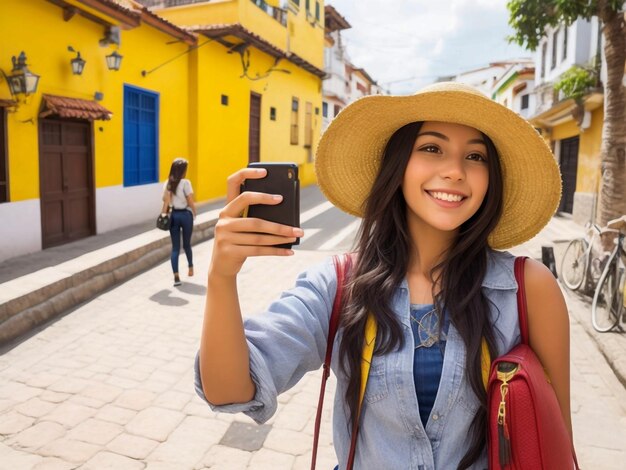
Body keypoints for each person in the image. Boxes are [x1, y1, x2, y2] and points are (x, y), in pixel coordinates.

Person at [194, 82, 571, 469]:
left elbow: (554, 444)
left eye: (476, 156)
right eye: (431, 148)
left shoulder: (528, 289)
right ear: (398, 164)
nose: (456, 171)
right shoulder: (340, 285)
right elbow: (228, 391)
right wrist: (221, 279)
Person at [162, 158, 196, 287]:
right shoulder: (186, 183)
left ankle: (176, 276)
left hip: (174, 216)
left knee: (175, 247)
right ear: (182, 170)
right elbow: (190, 200)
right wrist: (194, 212)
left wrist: (163, 214)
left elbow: (165, 201)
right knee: (187, 244)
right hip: (185, 215)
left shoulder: (168, 183)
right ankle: (190, 267)